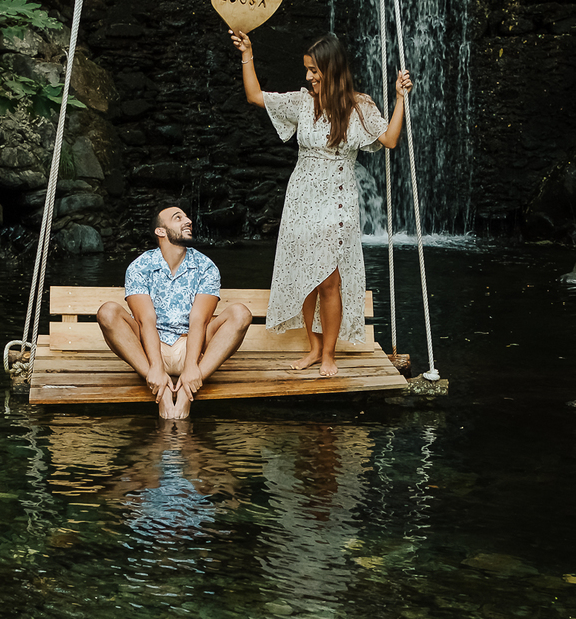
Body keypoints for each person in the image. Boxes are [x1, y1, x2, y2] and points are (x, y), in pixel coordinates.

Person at [229, 29, 412, 377]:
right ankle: (314, 349)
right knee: (306, 276)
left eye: (314, 70)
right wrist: (247, 52)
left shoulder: (359, 106)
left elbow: (388, 138)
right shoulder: (302, 103)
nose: (309, 77)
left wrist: (400, 98)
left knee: (329, 280)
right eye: (307, 70)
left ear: (332, 68)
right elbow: (255, 96)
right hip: (301, 198)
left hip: (337, 200)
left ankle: (329, 354)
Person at [97, 203, 252, 419]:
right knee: (108, 312)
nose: (188, 221)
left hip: (194, 349)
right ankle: (160, 387)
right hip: (149, 351)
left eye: (187, 218)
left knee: (240, 313)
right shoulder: (139, 266)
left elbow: (199, 319)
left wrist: (191, 369)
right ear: (160, 231)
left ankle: (187, 390)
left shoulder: (206, 267)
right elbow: (145, 321)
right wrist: (156, 368)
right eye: (178, 218)